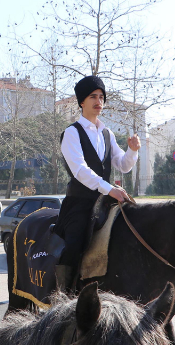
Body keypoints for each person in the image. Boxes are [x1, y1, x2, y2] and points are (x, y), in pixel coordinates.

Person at [54, 75, 141, 291]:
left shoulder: (107, 133)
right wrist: (109, 188)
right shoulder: (71, 133)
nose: (98, 101)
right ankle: (64, 294)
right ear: (81, 102)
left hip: (106, 201)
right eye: (93, 96)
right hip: (80, 203)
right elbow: (80, 171)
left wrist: (132, 150)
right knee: (74, 244)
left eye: (101, 97)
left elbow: (123, 165)